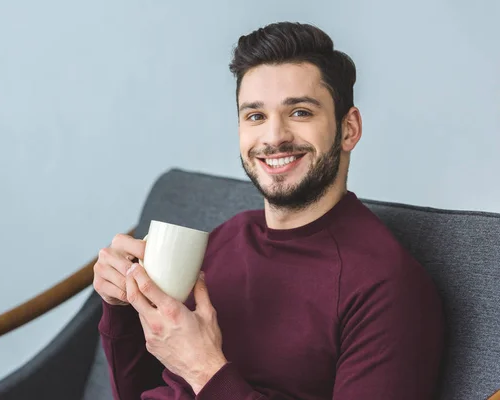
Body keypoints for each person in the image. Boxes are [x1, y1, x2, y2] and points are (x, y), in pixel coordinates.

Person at [93, 22, 444, 400]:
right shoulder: (225, 238)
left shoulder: (386, 287)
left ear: (349, 129)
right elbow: (142, 391)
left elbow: (197, 373)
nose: (274, 137)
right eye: (255, 116)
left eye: (300, 112)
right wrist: (121, 310)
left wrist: (205, 369)